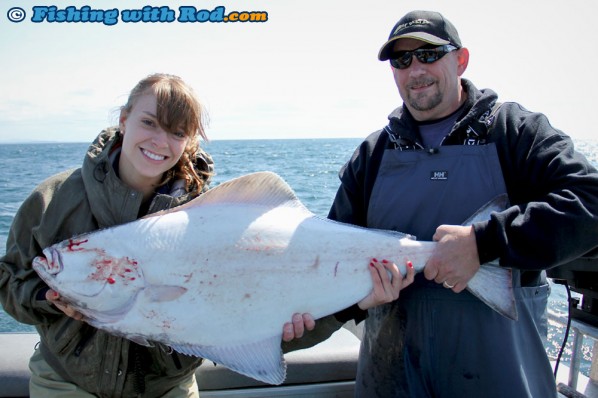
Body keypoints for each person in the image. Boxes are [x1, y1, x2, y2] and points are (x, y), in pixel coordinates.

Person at [0, 73, 413, 397]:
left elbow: (241, 323)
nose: (160, 141)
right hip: (66, 384)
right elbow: (9, 281)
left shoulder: (213, 214)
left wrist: (351, 305)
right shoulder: (52, 199)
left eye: (177, 132)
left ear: (190, 140)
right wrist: (45, 298)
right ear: (123, 119)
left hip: (168, 389)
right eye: (148, 122)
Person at [326, 10, 598, 398]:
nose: (415, 69)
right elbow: (335, 255)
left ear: (461, 59)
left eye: (429, 54)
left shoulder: (516, 133)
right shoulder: (372, 155)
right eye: (401, 60)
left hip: (499, 377)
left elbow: (590, 201)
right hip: (391, 379)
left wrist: (484, 244)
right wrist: (331, 307)